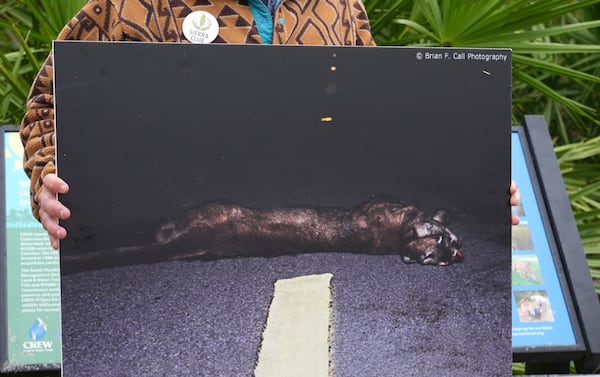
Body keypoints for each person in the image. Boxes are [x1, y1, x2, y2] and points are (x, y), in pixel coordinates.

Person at [20, 0, 519, 250]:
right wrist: (48, 177)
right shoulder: (131, 5)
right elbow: (50, 101)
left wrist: (484, 179)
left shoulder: (339, 5)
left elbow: (380, 101)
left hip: (307, 200)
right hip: (176, 212)